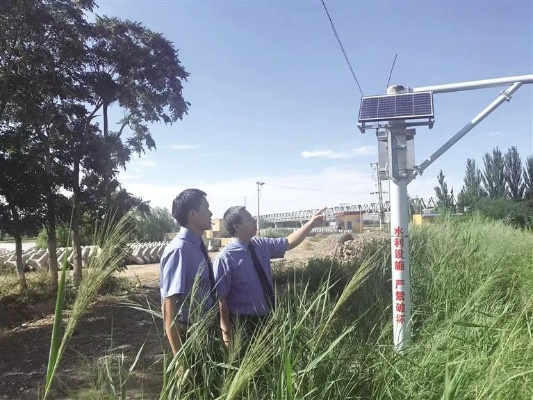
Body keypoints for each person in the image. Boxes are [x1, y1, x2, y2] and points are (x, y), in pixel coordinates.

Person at [213, 205, 326, 348]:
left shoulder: (260, 244)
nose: (254, 221)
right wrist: (227, 334)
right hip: (243, 324)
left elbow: (289, 242)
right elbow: (221, 299)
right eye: (249, 219)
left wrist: (310, 224)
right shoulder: (225, 258)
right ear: (237, 226)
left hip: (268, 318)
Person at [159, 188, 215, 354]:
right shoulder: (179, 250)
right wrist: (180, 360)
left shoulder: (196, 245)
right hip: (190, 336)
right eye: (206, 208)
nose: (211, 213)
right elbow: (169, 307)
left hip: (205, 330)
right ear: (193, 214)